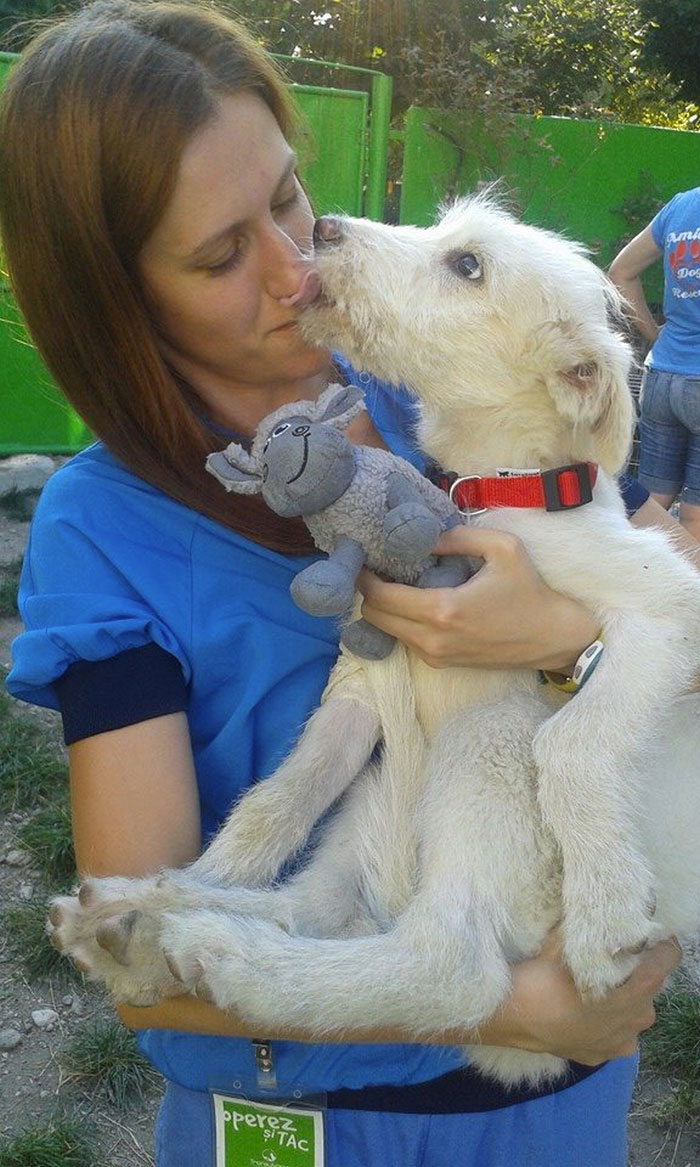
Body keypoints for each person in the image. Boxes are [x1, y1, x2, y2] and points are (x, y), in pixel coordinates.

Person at [0, 3, 685, 1165]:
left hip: (549, 1120)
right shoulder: (102, 530)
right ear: (121, 298)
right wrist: (513, 1007)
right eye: (220, 255)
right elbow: (139, 964)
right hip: (300, 1125)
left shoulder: (439, 391)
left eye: (284, 200)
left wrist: (567, 640)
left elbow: (647, 579)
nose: (292, 265)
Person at [609, 188, 700, 543]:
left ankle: (630, 588)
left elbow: (621, 272)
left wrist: (653, 333)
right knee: (695, 516)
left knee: (650, 504)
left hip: (661, 377)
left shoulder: (682, 206)